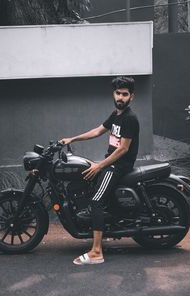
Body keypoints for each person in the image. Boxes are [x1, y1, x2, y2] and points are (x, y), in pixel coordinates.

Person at [60, 76, 139, 265]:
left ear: (131, 97)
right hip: (110, 162)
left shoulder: (130, 118)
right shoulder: (116, 115)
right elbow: (97, 131)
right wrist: (72, 139)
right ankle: (104, 225)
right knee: (91, 183)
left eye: (125, 94)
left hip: (119, 165)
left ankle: (96, 252)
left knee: (96, 201)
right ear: (113, 94)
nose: (121, 97)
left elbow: (123, 149)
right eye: (118, 93)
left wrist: (99, 166)